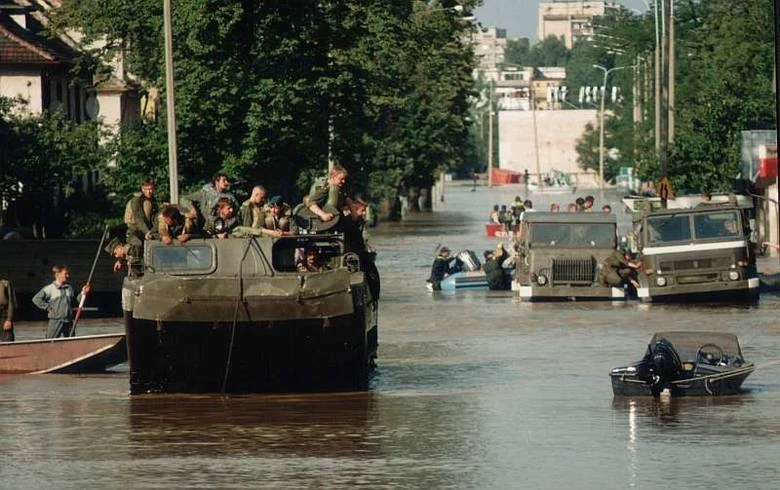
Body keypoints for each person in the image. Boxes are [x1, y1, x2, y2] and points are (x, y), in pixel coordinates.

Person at [32, 265, 90, 338]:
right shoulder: (50, 288)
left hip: (68, 321)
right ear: (58, 274)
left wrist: (83, 293)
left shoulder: (69, 288)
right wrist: (48, 307)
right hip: (55, 321)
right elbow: (36, 299)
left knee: (71, 342)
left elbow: (74, 302)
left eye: (68, 274)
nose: (68, 276)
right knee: (50, 342)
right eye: (65, 273)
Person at [124, 177, 158, 248]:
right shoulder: (136, 200)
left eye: (151, 189)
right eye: (147, 189)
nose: (149, 191)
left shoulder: (151, 201)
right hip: (135, 231)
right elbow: (139, 218)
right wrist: (147, 232)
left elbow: (154, 218)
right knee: (138, 244)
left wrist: (153, 230)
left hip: (147, 230)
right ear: (142, 189)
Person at [0, 277, 16, 342]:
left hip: (3, 315)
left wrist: (9, 319)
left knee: (7, 340)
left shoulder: (5, 284)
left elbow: (11, 302)